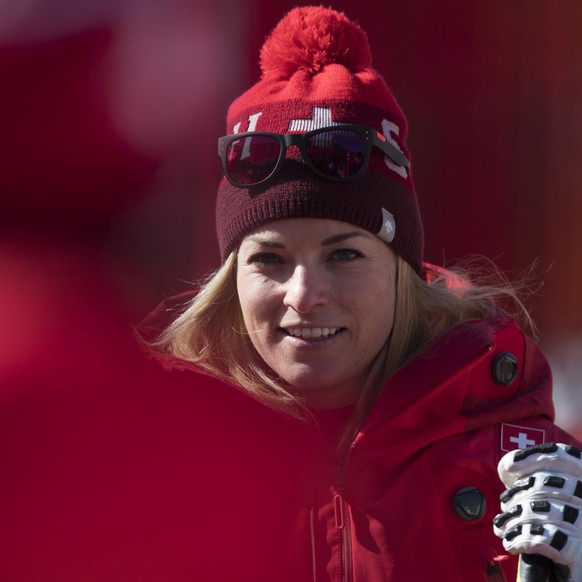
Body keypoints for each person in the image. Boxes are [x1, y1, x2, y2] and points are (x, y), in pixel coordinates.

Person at [151, 6, 582, 581]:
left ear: (402, 270)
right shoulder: (151, 457)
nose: (303, 296)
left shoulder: (523, 473)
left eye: (344, 255)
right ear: (230, 281)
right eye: (270, 259)